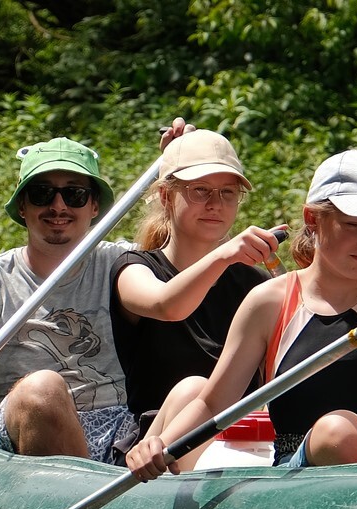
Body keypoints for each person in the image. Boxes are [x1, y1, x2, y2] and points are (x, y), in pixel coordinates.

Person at [126, 149, 357, 480]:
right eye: (353, 226)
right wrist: (160, 443)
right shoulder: (268, 301)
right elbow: (212, 402)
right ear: (313, 219)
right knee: (341, 430)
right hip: (305, 471)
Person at [0, 120, 192, 462]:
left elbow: (186, 248)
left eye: (74, 194)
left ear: (94, 207)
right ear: (23, 207)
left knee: (193, 392)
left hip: (119, 427)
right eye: (42, 194)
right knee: (43, 388)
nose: (58, 206)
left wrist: (183, 168)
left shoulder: (122, 264)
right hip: (24, 422)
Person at [109, 129, 284, 467]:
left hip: (246, 441)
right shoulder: (135, 269)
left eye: (227, 193)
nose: (215, 204)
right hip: (154, 449)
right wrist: (225, 256)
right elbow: (167, 305)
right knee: (193, 389)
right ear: (165, 196)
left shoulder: (255, 282)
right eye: (199, 190)